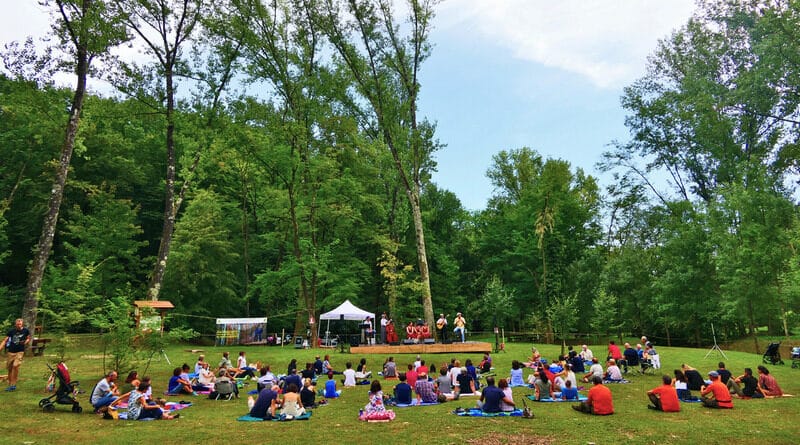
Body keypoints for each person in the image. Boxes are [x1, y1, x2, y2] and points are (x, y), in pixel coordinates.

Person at [113, 382, 178, 420]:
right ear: (144, 389)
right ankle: (166, 417)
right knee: (153, 405)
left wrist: (113, 403)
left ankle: (163, 414)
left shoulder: (133, 392)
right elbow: (146, 407)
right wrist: (157, 406)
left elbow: (121, 397)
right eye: (146, 389)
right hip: (135, 416)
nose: (147, 391)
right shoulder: (141, 397)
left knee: (152, 410)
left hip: (130, 415)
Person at [1, 318, 31, 392]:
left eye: (20, 324)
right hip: (11, 352)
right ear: (15, 324)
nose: (19, 325)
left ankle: (13, 384)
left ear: (22, 324)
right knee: (10, 368)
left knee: (15, 365)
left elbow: (28, 338)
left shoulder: (25, 331)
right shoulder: (11, 331)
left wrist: (25, 342)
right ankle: (11, 385)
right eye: (17, 324)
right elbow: (5, 340)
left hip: (20, 351)